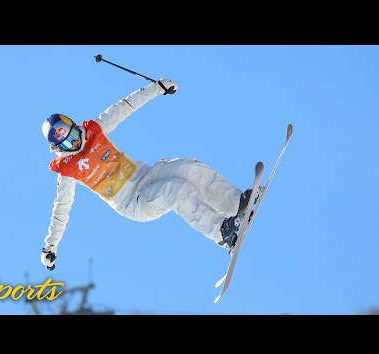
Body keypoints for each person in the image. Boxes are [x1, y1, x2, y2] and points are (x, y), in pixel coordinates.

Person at [40, 79, 261, 270]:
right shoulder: (67, 169)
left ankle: (236, 203)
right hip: (133, 201)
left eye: (73, 133)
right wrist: (50, 246)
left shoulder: (93, 130)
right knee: (175, 189)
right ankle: (223, 233)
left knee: (187, 167)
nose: (76, 141)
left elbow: (124, 106)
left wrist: (157, 87)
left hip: (146, 174)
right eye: (68, 142)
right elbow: (61, 209)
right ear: (60, 148)